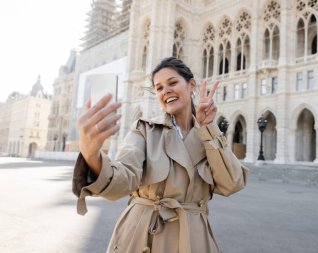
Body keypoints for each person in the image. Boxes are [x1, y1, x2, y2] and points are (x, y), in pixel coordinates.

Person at [72, 57, 249, 253]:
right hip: (143, 236)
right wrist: (91, 155)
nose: (166, 91)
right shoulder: (145, 129)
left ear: (191, 86)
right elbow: (124, 176)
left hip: (194, 239)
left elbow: (232, 182)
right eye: (159, 88)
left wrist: (209, 128)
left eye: (172, 83)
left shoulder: (207, 133)